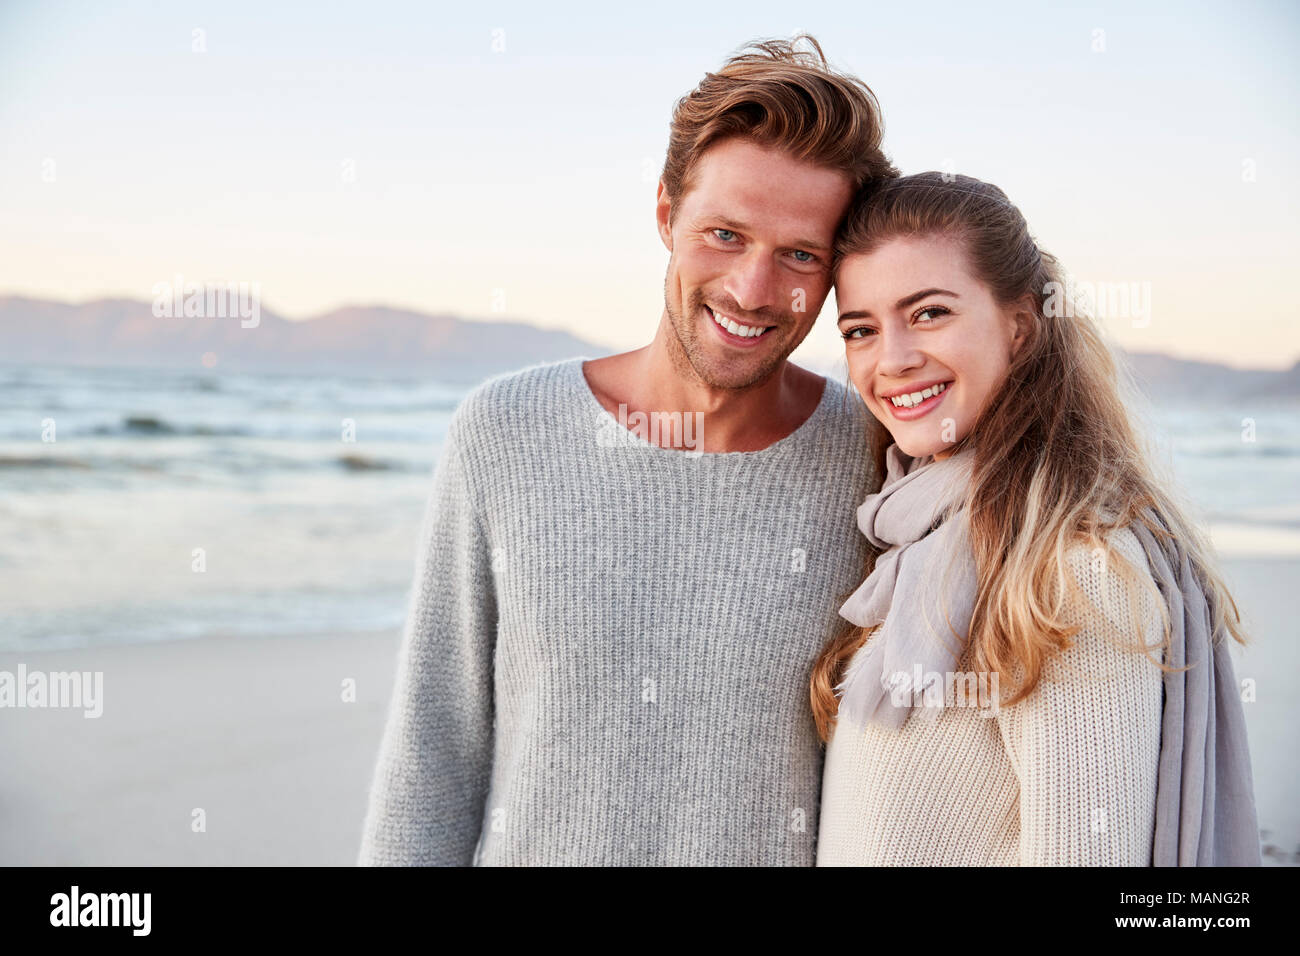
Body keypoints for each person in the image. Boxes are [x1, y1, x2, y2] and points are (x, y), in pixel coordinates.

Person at [357, 35, 897, 866]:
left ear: (834, 275)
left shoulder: (875, 458)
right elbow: (435, 746)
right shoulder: (504, 432)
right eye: (724, 234)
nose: (753, 291)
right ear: (665, 216)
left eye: (799, 254)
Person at [811, 171, 1261, 866]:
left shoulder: (1075, 568)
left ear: (1020, 327)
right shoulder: (913, 536)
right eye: (861, 329)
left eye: (929, 313)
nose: (892, 359)